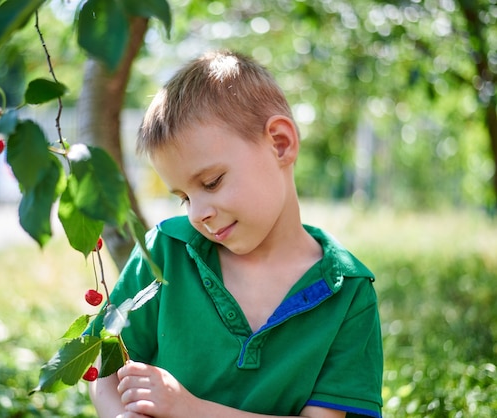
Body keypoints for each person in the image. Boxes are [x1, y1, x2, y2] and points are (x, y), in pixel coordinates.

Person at [87, 50, 383, 418]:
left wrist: (188, 408)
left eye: (211, 182)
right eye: (183, 198)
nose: (198, 213)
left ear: (280, 143)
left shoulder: (348, 293)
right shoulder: (166, 251)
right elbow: (105, 368)